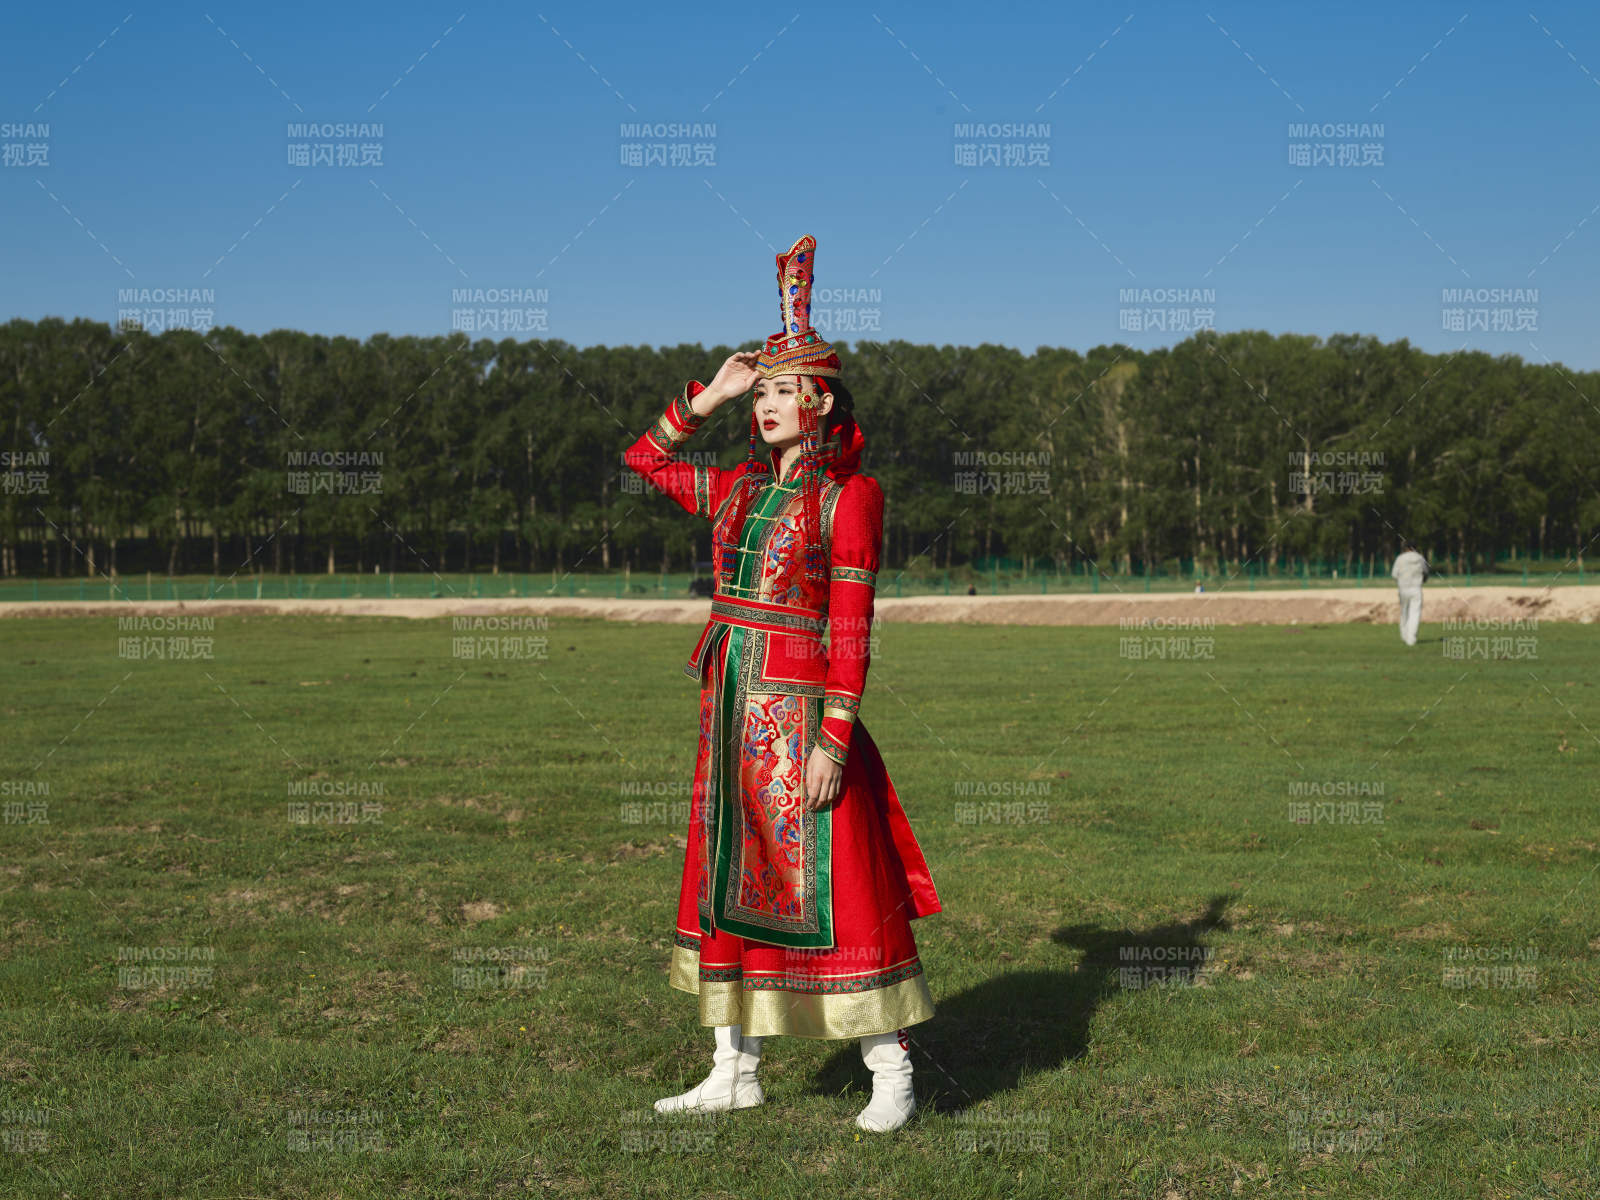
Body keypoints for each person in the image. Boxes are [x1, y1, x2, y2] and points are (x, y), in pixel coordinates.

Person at [623, 235, 941, 1133]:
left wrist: (835, 737)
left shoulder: (852, 498)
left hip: (802, 720)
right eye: (757, 391)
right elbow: (644, 459)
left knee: (842, 884)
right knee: (727, 879)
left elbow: (851, 621)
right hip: (729, 711)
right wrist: (711, 392)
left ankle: (891, 1072)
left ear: (822, 400)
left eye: (779, 389)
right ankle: (734, 1069)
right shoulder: (733, 492)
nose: (765, 404)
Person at [1390, 541, 1431, 645]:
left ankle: (1404, 635)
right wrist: (1423, 579)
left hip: (1403, 588)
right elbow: (1426, 571)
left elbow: (1394, 574)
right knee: (1415, 613)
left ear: (1405, 548)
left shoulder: (1400, 558)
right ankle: (1411, 638)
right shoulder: (1420, 558)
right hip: (1416, 588)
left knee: (1404, 612)